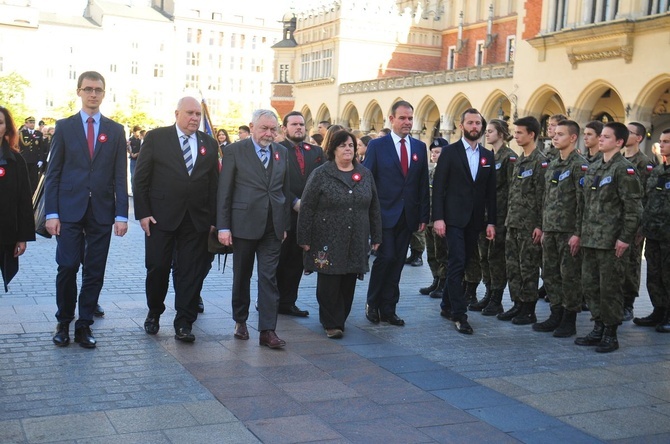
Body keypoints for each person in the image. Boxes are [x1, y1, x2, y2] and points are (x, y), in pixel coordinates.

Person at [45, 71, 129, 348]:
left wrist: (121, 214)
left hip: (102, 212)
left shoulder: (115, 130)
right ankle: (63, 321)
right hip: (68, 210)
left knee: (94, 270)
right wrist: (51, 213)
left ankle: (84, 325)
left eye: (98, 90)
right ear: (79, 91)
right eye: (88, 89)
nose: (93, 94)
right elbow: (53, 172)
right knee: (67, 266)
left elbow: (120, 175)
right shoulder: (64, 127)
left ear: (104, 94)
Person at [132, 97, 219, 343]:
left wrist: (214, 219)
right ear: (177, 113)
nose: (194, 118)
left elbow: (214, 185)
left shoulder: (209, 144)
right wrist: (143, 213)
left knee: (189, 272)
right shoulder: (157, 138)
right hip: (160, 218)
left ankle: (184, 322)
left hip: (196, 220)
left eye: (198, 114)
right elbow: (141, 178)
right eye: (190, 113)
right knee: (157, 267)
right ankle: (154, 312)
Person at [297, 130, 382, 338]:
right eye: (342, 145)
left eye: (351, 145)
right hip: (326, 236)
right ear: (333, 149)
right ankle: (331, 322)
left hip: (356, 237)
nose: (347, 149)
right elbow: (307, 207)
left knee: (349, 278)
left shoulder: (364, 174)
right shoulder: (321, 173)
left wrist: (377, 236)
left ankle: (340, 317)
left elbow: (374, 207)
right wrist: (304, 238)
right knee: (329, 281)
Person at [217, 109, 291, 349]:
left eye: (273, 129)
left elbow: (284, 191)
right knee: (242, 275)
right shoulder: (234, 151)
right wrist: (224, 227)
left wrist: (284, 225)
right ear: (252, 127)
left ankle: (268, 330)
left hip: (273, 226)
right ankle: (240, 320)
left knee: (269, 278)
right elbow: (224, 192)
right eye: (264, 128)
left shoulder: (281, 152)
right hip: (243, 224)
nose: (269, 134)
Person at [576, 122, 642, 352]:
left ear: (619, 142)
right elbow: (583, 205)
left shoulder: (624, 169)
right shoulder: (594, 167)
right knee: (591, 286)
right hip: (591, 239)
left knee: (610, 289)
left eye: (606, 137)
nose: (600, 139)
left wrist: (625, 238)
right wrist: (578, 233)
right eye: (600, 136)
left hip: (611, 242)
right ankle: (598, 327)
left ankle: (611, 333)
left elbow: (633, 209)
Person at [363, 100, 430, 326]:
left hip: (408, 216)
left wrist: (423, 216)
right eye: (402, 118)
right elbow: (368, 181)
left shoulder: (420, 148)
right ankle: (373, 303)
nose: (407, 122)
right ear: (391, 119)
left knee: (398, 261)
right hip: (383, 214)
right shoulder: (377, 146)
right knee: (386, 258)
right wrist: (369, 215)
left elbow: (422, 184)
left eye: (410, 118)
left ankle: (389, 309)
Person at [432, 109, 496, 334]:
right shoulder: (450, 152)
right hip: (452, 219)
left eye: (478, 123)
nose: (475, 127)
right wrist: (438, 218)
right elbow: (439, 187)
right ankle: (460, 315)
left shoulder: (488, 155)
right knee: (458, 261)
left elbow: (491, 193)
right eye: (470, 122)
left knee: (461, 261)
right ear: (461, 126)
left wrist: (491, 222)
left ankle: (446, 304)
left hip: (475, 220)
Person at [533, 120, 588, 337]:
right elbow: (547, 198)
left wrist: (578, 233)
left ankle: (569, 319)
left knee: (570, 276)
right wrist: (544, 227)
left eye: (560, 134)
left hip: (568, 232)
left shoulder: (580, 165)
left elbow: (583, 202)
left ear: (573, 138)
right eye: (554, 134)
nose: (554, 138)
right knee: (550, 274)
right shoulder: (553, 164)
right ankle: (555, 314)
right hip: (551, 230)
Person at [499, 116, 547, 324]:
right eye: (515, 132)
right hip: (514, 223)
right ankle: (517, 304)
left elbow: (543, 196)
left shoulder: (540, 162)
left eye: (520, 133)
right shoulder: (519, 160)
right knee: (513, 266)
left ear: (532, 134)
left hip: (529, 226)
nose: (515, 136)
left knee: (528, 267)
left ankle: (529, 309)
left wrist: (539, 225)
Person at [276, 111, 324, 317]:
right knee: (277, 261)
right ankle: (270, 301)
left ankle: (288, 301)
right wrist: (294, 201)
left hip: (307, 217)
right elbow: (274, 182)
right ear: (284, 128)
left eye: (302, 124)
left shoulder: (315, 152)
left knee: (296, 261)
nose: (299, 128)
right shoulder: (276, 150)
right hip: (282, 214)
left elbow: (322, 179)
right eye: (294, 124)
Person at [469, 119, 516, 315]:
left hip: (499, 214)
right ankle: (488, 292)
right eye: (485, 131)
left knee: (496, 257)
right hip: (483, 213)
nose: (486, 134)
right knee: (484, 256)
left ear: (502, 133)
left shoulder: (509, 157)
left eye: (490, 131)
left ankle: (497, 297)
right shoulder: (486, 156)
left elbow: (513, 189)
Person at [634, 128, 670, 331]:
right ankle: (659, 310)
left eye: (666, 141)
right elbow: (646, 201)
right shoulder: (657, 171)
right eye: (661, 141)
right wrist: (642, 227)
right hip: (654, 233)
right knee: (654, 274)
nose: (661, 144)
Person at [621, 121, 656, 321]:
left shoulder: (644, 163)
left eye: (630, 132)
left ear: (639, 138)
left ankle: (628, 303)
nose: (626, 135)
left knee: (632, 264)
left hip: (634, 224)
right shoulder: (617, 160)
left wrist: (641, 226)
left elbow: (648, 197)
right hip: (616, 222)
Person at [0, 107, 36, 291]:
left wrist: (23, 238)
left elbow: (24, 202)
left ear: (7, 128)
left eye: (0, 122)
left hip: (6, 231)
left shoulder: (16, 161)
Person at [419, 138, 449, 298]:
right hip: (429, 219)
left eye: (437, 152)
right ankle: (436, 279)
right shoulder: (431, 172)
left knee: (442, 252)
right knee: (431, 252)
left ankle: (443, 282)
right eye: (432, 152)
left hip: (440, 220)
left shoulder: (448, 172)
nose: (433, 155)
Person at [19, 116, 46, 195]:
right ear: (26, 124)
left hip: (35, 160)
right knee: (24, 178)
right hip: (25, 159)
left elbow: (41, 148)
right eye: (30, 123)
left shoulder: (38, 134)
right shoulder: (22, 133)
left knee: (34, 179)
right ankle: (25, 194)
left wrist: (41, 159)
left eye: (33, 122)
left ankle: (33, 194)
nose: (32, 124)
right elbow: (20, 146)